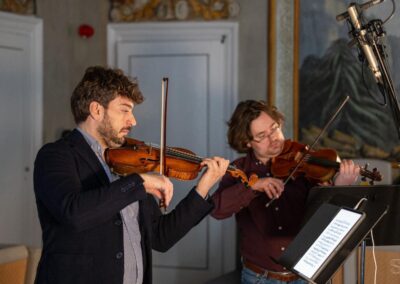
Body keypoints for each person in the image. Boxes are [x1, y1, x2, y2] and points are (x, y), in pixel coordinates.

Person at [33, 66, 229, 284]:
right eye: (125, 110)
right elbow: (74, 213)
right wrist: (140, 181)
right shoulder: (56, 155)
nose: (133, 121)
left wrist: (203, 187)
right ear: (97, 110)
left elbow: (161, 237)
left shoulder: (127, 165)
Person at [210, 100, 360, 284]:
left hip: (306, 277)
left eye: (274, 128)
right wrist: (253, 186)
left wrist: (340, 186)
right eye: (262, 135)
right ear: (247, 142)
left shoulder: (304, 159)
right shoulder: (239, 170)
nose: (273, 138)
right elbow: (217, 209)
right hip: (259, 278)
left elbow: (326, 214)